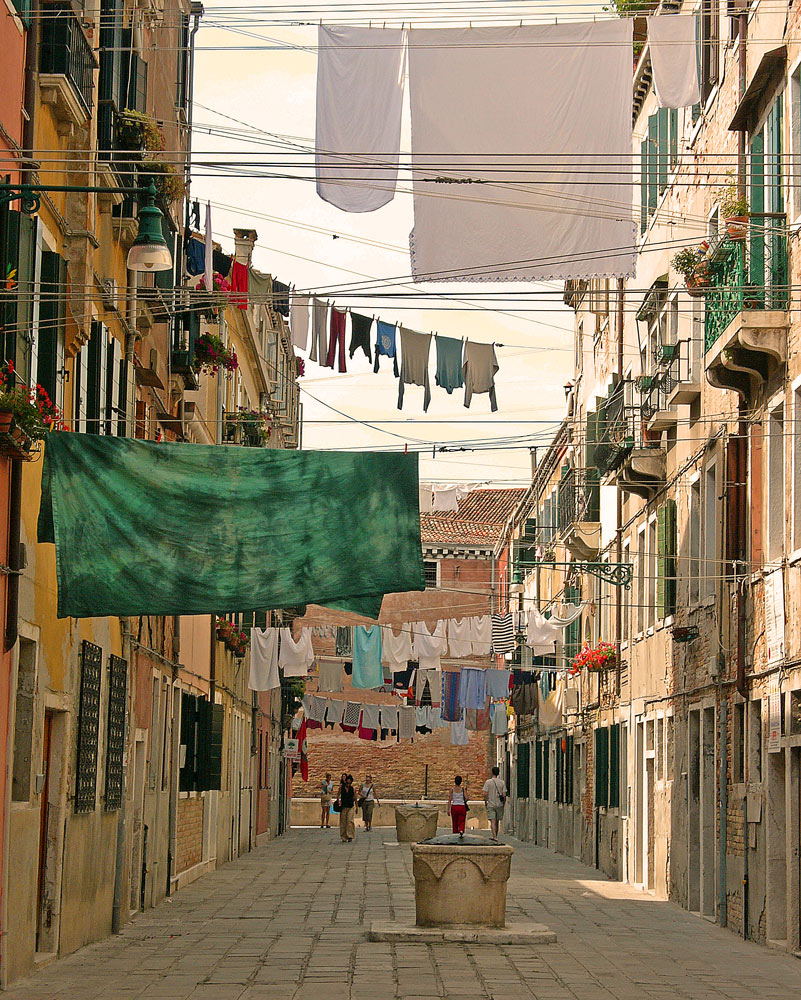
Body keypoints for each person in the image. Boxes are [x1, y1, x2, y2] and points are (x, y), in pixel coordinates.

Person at [483, 766, 508, 839]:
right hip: (499, 804)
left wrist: (486, 802)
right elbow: (504, 795)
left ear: (492, 772)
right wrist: (504, 804)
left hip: (491, 804)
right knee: (497, 822)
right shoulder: (502, 782)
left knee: (492, 822)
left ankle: (494, 837)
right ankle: (495, 836)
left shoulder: (488, 782)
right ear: (498, 773)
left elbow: (485, 793)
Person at [338, 773, 357, 842]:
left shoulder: (352, 789)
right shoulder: (341, 788)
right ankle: (343, 836)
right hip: (343, 806)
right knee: (343, 822)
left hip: (350, 806)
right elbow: (338, 795)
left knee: (350, 821)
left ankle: (350, 835)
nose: (348, 784)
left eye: (349, 783)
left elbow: (355, 797)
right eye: (347, 783)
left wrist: (357, 807)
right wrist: (338, 801)